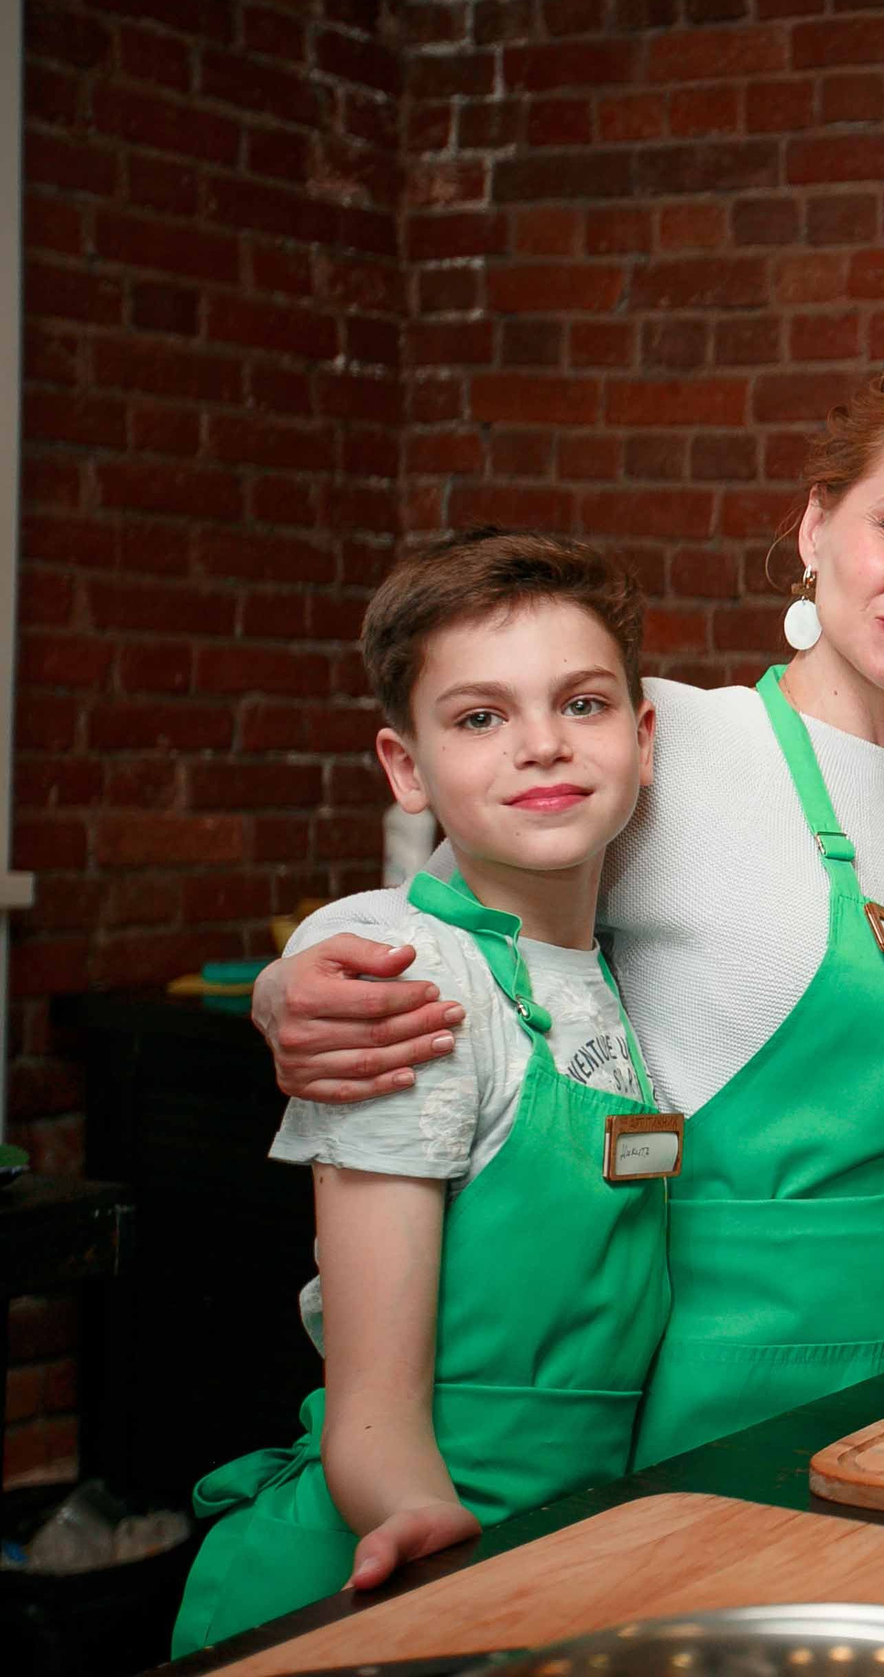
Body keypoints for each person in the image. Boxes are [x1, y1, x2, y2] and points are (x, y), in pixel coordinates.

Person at [249, 345, 884, 1464]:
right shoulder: (667, 743)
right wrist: (287, 985)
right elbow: (442, 925)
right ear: (814, 529)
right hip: (681, 1368)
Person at [172, 533, 669, 1654]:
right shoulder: (410, 984)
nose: (542, 744)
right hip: (380, 1572)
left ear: (641, 739)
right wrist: (412, 1514)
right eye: (480, 718)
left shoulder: (607, 969)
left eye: (582, 705)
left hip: (550, 1548)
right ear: (406, 768)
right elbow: (370, 1415)